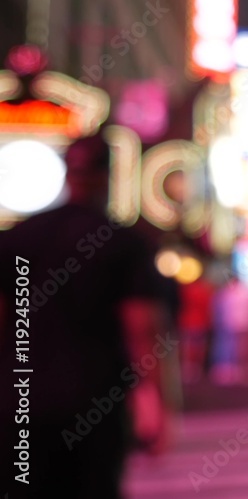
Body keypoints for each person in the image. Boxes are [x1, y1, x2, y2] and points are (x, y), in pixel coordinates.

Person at [0, 134, 176, 498]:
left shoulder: (17, 240)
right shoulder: (121, 242)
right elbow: (142, 329)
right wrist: (157, 404)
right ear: (109, 175)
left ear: (67, 173)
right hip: (94, 405)